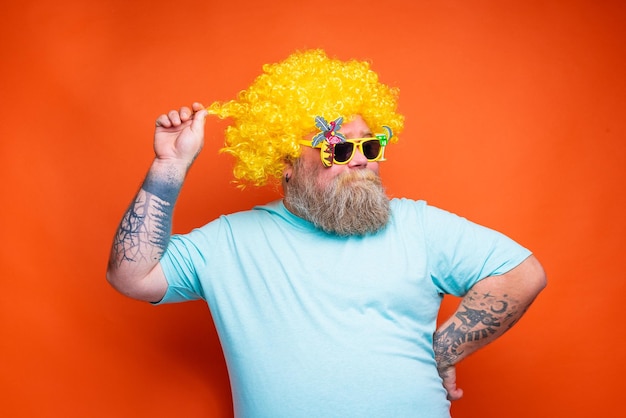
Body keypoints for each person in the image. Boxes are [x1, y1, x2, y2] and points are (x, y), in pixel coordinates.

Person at [107, 49, 546, 417]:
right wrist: (169, 167)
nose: (359, 160)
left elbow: (522, 273)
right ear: (285, 162)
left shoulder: (418, 225)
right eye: (337, 147)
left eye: (370, 146)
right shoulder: (228, 242)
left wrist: (443, 351)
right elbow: (132, 275)